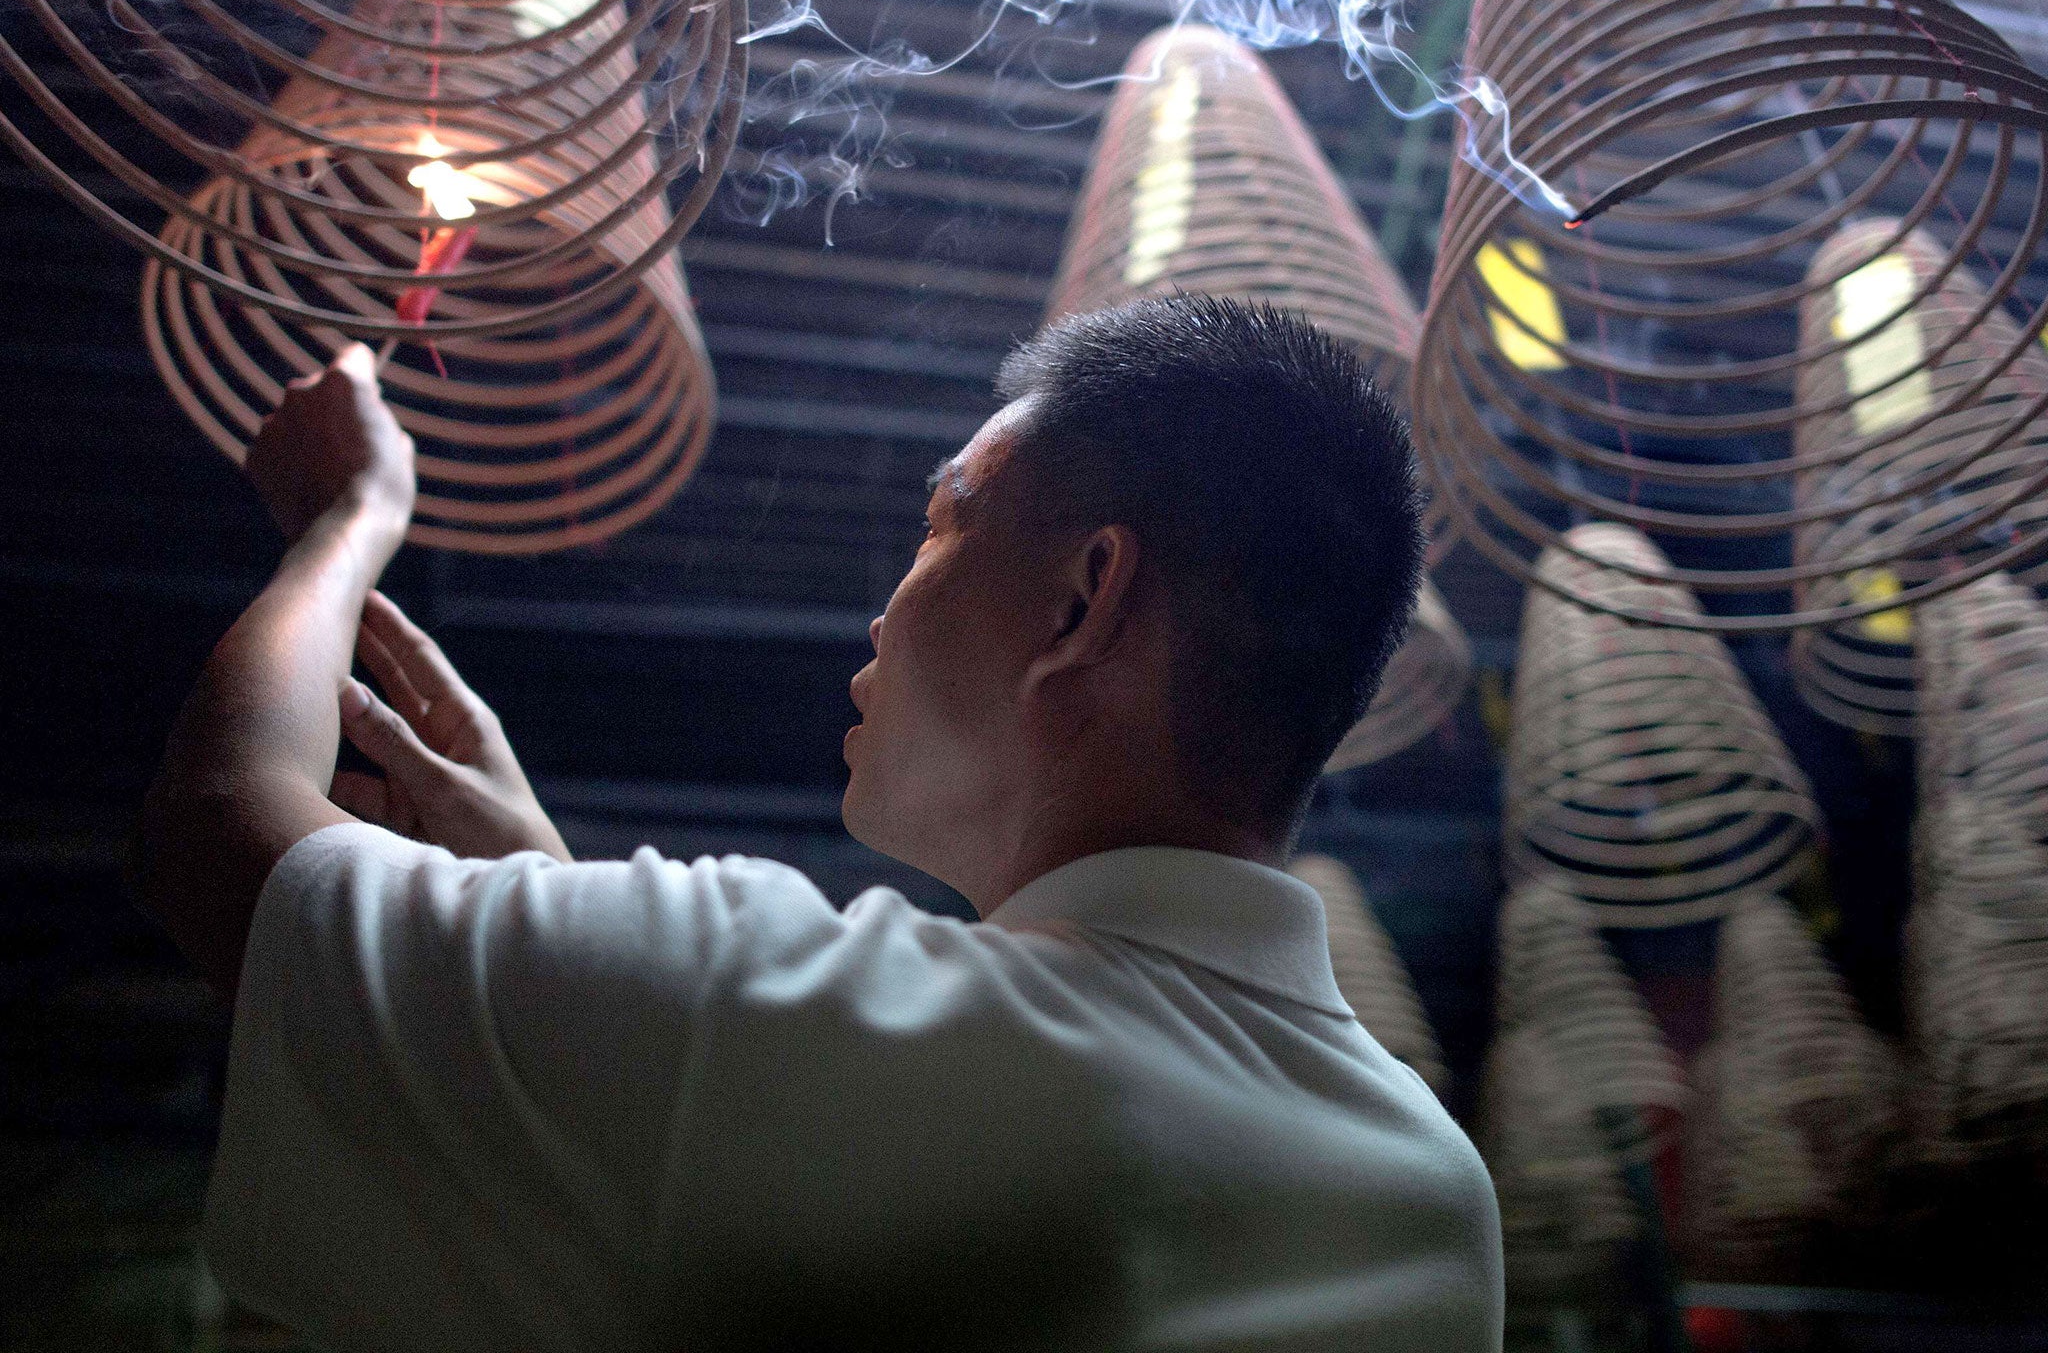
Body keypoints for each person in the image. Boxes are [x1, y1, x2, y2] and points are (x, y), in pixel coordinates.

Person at [135, 295, 1502, 1352]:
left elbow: (218, 837)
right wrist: (546, 900)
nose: (889, 601)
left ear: (1082, 604)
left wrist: (348, 517)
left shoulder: (787, 1004)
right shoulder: (1434, 1194)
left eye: (944, 523)